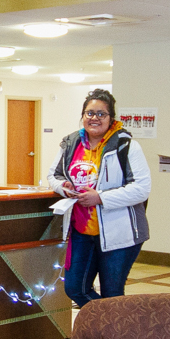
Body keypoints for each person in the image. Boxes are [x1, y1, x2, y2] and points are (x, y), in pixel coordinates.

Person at [45, 88, 151, 307]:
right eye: (89, 113)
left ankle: (114, 335)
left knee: (112, 293)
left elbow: (141, 188)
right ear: (83, 116)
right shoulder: (71, 143)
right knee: (75, 288)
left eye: (101, 114)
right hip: (82, 231)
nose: (94, 118)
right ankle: (109, 324)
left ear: (111, 118)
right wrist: (63, 187)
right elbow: (52, 175)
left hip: (118, 233)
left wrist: (100, 197)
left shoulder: (126, 145)